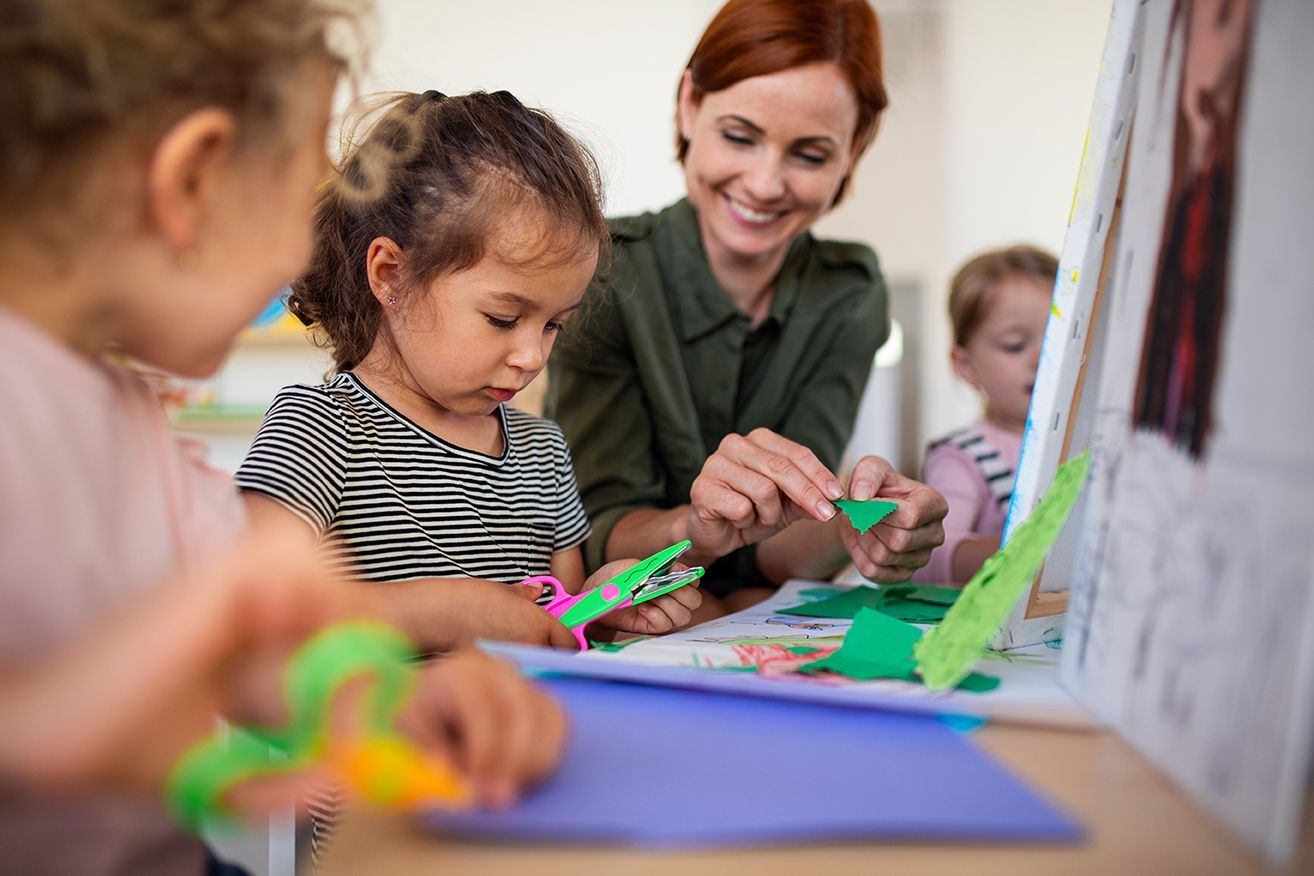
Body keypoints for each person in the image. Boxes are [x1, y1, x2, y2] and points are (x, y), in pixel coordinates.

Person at [0, 4, 565, 874]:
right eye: (298, 196)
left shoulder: (133, 424)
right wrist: (185, 631)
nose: (309, 249)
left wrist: (393, 698)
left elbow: (270, 662)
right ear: (194, 180)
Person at [236, 90, 702, 654]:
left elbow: (557, 628)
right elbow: (251, 607)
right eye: (503, 318)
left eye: (554, 325)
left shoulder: (543, 451)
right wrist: (439, 613)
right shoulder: (319, 430)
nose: (532, 356)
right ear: (391, 276)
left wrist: (598, 609)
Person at [546, 0, 947, 610]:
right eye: (739, 136)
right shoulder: (599, 271)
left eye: (810, 155)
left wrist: (858, 526)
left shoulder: (850, 291)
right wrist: (695, 532)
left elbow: (776, 543)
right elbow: (595, 535)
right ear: (688, 105)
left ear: (854, 149)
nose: (764, 184)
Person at [915, 245, 1057, 585]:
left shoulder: (1099, 441)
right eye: (1014, 344)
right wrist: (1025, 552)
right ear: (966, 365)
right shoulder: (962, 456)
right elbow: (929, 557)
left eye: (1060, 339)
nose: (1045, 358)